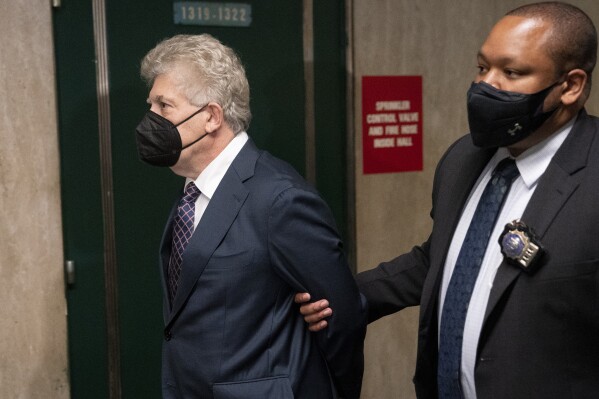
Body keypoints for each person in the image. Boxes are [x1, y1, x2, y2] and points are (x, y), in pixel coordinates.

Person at [296, 2, 599, 398]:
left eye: (511, 72)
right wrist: (340, 297)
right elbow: (440, 258)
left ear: (571, 86)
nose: (487, 85)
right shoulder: (464, 157)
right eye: (481, 67)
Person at [134, 34, 367, 399]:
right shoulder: (191, 192)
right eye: (151, 105)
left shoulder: (280, 199)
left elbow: (343, 317)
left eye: (164, 106)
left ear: (211, 116)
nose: (150, 120)